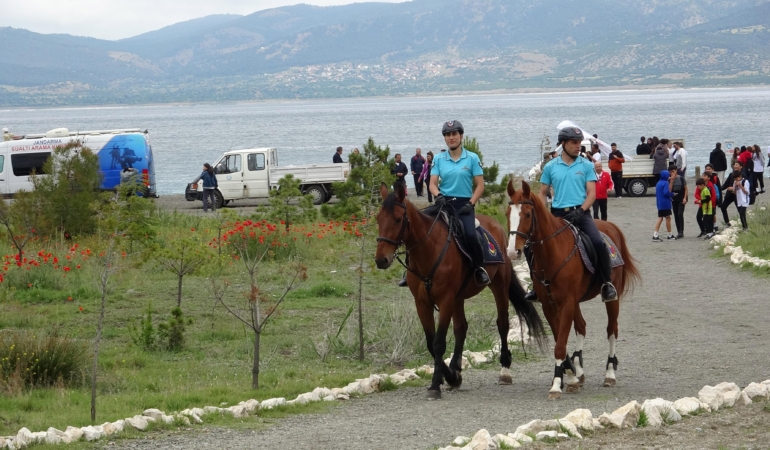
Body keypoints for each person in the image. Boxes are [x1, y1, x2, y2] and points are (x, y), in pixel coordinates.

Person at [525, 126, 618, 302]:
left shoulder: (586, 165)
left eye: (579, 143)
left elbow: (591, 193)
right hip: (557, 215)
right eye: (574, 143)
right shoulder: (551, 167)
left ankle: (606, 283)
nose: (578, 146)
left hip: (580, 213)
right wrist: (542, 214)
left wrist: (581, 211)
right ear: (563, 144)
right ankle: (537, 286)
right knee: (531, 246)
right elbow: (543, 193)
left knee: (598, 242)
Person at [430, 120, 490, 286]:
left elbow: (480, 185)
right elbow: (432, 183)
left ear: (461, 136)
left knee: (471, 234)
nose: (451, 137)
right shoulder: (438, 158)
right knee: (419, 225)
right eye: (448, 135)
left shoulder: (472, 158)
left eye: (454, 134)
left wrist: (471, 203)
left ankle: (479, 268)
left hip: (464, 205)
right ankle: (410, 271)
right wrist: (438, 195)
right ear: (445, 138)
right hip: (443, 202)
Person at [653, 170, 676, 241]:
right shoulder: (665, 183)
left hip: (659, 203)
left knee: (660, 218)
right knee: (668, 218)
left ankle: (655, 234)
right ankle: (670, 234)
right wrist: (672, 194)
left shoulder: (658, 183)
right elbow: (666, 192)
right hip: (665, 203)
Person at [719, 161, 743, 227]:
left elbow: (744, 185)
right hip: (729, 195)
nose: (735, 166)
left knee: (740, 210)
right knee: (723, 207)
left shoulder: (743, 175)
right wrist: (719, 189)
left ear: (741, 167)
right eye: (735, 165)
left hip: (737, 195)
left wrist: (733, 188)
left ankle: (744, 224)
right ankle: (727, 223)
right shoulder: (731, 174)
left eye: (737, 165)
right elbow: (726, 184)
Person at [669, 164, 688, 238]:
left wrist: (685, 198)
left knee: (680, 214)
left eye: (673, 171)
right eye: (670, 172)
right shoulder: (670, 180)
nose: (672, 173)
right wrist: (672, 181)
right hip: (674, 200)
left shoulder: (681, 178)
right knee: (676, 215)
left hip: (681, 199)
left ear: (676, 170)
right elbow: (669, 190)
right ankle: (679, 231)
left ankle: (681, 231)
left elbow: (686, 188)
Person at [695, 174, 714, 239]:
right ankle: (709, 232)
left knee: (705, 220)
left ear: (702, 185)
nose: (698, 187)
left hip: (708, 208)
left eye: (698, 186)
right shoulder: (703, 190)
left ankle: (709, 232)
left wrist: (701, 201)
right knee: (706, 220)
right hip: (705, 208)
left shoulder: (705, 190)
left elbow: (708, 198)